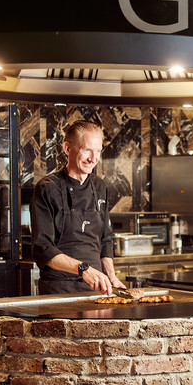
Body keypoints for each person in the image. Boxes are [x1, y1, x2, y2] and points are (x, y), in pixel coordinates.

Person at [31, 119, 126, 295]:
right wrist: (84, 269)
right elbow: (42, 247)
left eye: (98, 151)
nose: (93, 158)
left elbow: (105, 239)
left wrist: (111, 277)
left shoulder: (99, 186)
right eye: (86, 150)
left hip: (96, 288)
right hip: (59, 289)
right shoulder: (47, 189)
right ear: (67, 148)